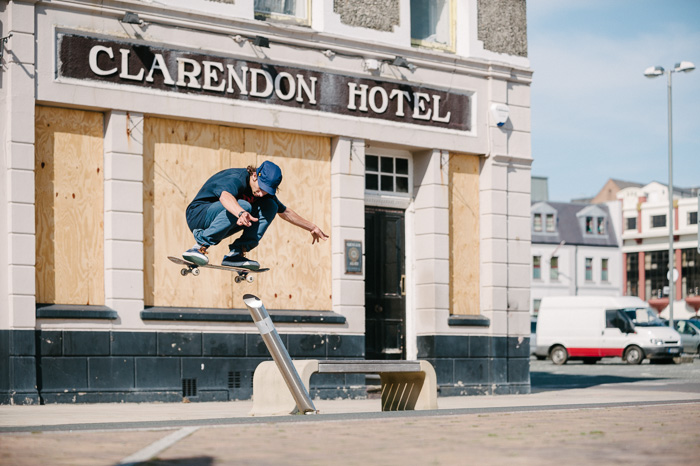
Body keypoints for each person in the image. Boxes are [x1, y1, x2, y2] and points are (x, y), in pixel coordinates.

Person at [182, 161, 328, 270]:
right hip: (198, 215)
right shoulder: (236, 178)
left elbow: (286, 212)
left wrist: (312, 227)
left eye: (266, 191)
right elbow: (225, 197)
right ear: (254, 175)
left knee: (271, 206)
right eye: (261, 188)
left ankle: (236, 254)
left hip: (223, 221)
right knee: (245, 205)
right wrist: (240, 212)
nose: (261, 193)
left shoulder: (263, 194)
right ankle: (199, 246)